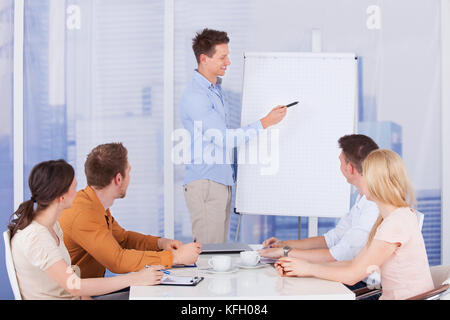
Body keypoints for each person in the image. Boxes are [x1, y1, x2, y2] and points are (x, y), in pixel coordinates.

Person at [275, 149, 435, 300]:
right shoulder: (393, 217)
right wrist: (303, 268)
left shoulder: (395, 223)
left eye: (365, 174)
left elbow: (352, 275)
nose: (360, 179)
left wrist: (307, 269)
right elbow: (355, 264)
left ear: (377, 182)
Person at [179, 28, 287, 244]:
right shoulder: (196, 96)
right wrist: (266, 122)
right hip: (207, 183)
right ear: (204, 58)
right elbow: (224, 139)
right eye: (222, 57)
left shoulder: (214, 91)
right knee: (209, 256)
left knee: (218, 252)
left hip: (220, 181)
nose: (228, 62)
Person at [9, 160, 164, 300]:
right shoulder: (37, 237)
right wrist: (135, 278)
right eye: (73, 189)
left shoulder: (52, 226)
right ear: (61, 198)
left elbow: (71, 286)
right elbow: (74, 286)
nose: (77, 194)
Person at [59, 143, 201, 279]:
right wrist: (176, 257)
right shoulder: (83, 214)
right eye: (129, 171)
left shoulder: (94, 205)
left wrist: (160, 243)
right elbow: (117, 260)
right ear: (118, 179)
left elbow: (123, 239)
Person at [260, 134, 379, 267]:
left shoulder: (373, 207)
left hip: (361, 284)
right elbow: (331, 239)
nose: (339, 166)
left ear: (349, 168)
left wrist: (285, 252)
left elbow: (337, 255)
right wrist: (285, 244)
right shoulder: (362, 199)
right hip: (348, 273)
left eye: (340, 162)